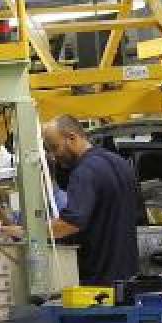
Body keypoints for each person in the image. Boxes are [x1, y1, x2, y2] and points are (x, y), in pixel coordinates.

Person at [21, 114, 140, 286]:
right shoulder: (121, 164)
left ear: (71, 138)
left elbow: (69, 225)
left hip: (98, 281)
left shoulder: (84, 172)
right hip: (128, 279)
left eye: (55, 147)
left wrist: (27, 232)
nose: (53, 156)